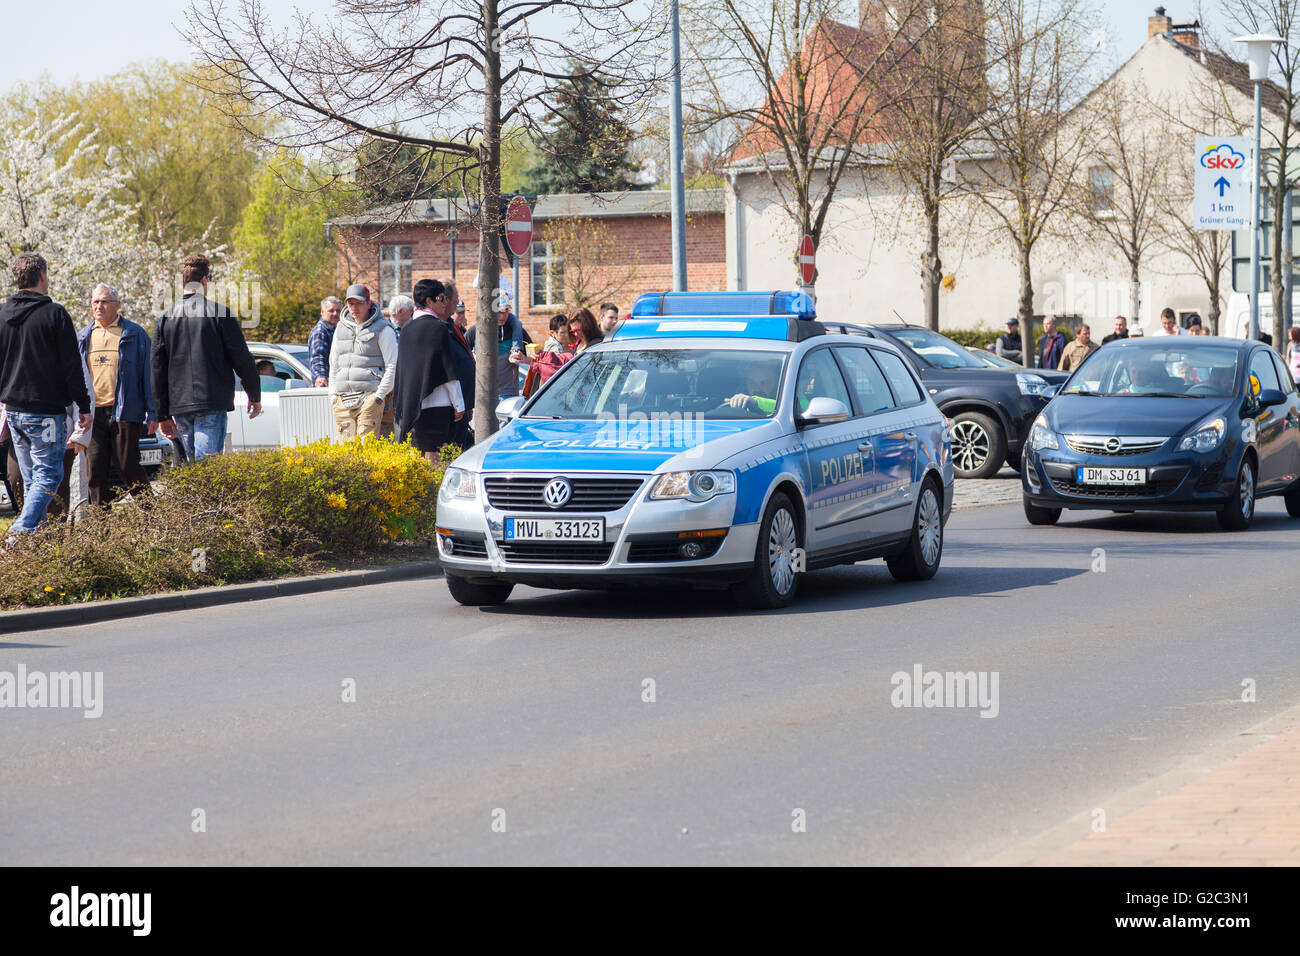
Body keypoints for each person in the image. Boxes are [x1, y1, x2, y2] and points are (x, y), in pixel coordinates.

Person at [0, 252, 92, 534]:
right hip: (45, 413)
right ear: (42, 275)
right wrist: (84, 405)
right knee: (49, 476)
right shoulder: (55, 314)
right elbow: (72, 365)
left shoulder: (2, 314)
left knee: (32, 480)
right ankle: (19, 532)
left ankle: (36, 545)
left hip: (14, 411)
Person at [153, 254, 260, 460]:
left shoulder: (165, 318)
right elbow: (242, 359)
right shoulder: (220, 313)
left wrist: (162, 413)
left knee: (188, 469)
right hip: (212, 399)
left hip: (179, 403)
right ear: (204, 280)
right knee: (208, 469)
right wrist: (253, 394)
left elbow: (157, 369)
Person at [76, 283, 155, 507]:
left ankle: (152, 514)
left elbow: (148, 376)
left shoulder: (134, 333)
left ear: (117, 305)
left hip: (125, 410)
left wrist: (153, 412)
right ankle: (103, 530)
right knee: (96, 471)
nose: (99, 306)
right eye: (95, 302)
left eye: (104, 302)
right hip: (93, 414)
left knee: (127, 466)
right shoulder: (83, 336)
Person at [394, 278, 464, 461]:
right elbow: (449, 370)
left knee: (415, 455)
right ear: (428, 301)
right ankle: (433, 490)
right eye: (441, 298)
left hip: (411, 404)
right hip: (438, 404)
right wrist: (459, 404)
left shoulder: (406, 329)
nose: (444, 302)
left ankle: (418, 491)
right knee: (434, 455)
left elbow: (402, 370)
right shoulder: (438, 328)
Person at [329, 283, 397, 440]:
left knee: (366, 452)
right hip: (342, 399)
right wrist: (333, 396)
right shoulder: (340, 328)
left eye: (358, 303)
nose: (354, 308)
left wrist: (378, 397)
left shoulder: (383, 329)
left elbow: (392, 366)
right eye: (350, 303)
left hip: (369, 398)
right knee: (347, 454)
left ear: (368, 303)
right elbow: (334, 364)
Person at [466, 294, 526, 400]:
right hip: (482, 393)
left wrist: (523, 358)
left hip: (508, 393)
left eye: (506, 311)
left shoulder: (515, 330)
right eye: (499, 312)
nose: (502, 316)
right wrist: (473, 359)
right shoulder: (475, 330)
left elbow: (533, 358)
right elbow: (459, 354)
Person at [308, 296, 342, 387]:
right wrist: (321, 377)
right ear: (322, 312)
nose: (335, 314)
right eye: (331, 311)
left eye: (338, 311)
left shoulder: (336, 330)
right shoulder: (320, 332)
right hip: (327, 387)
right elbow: (318, 357)